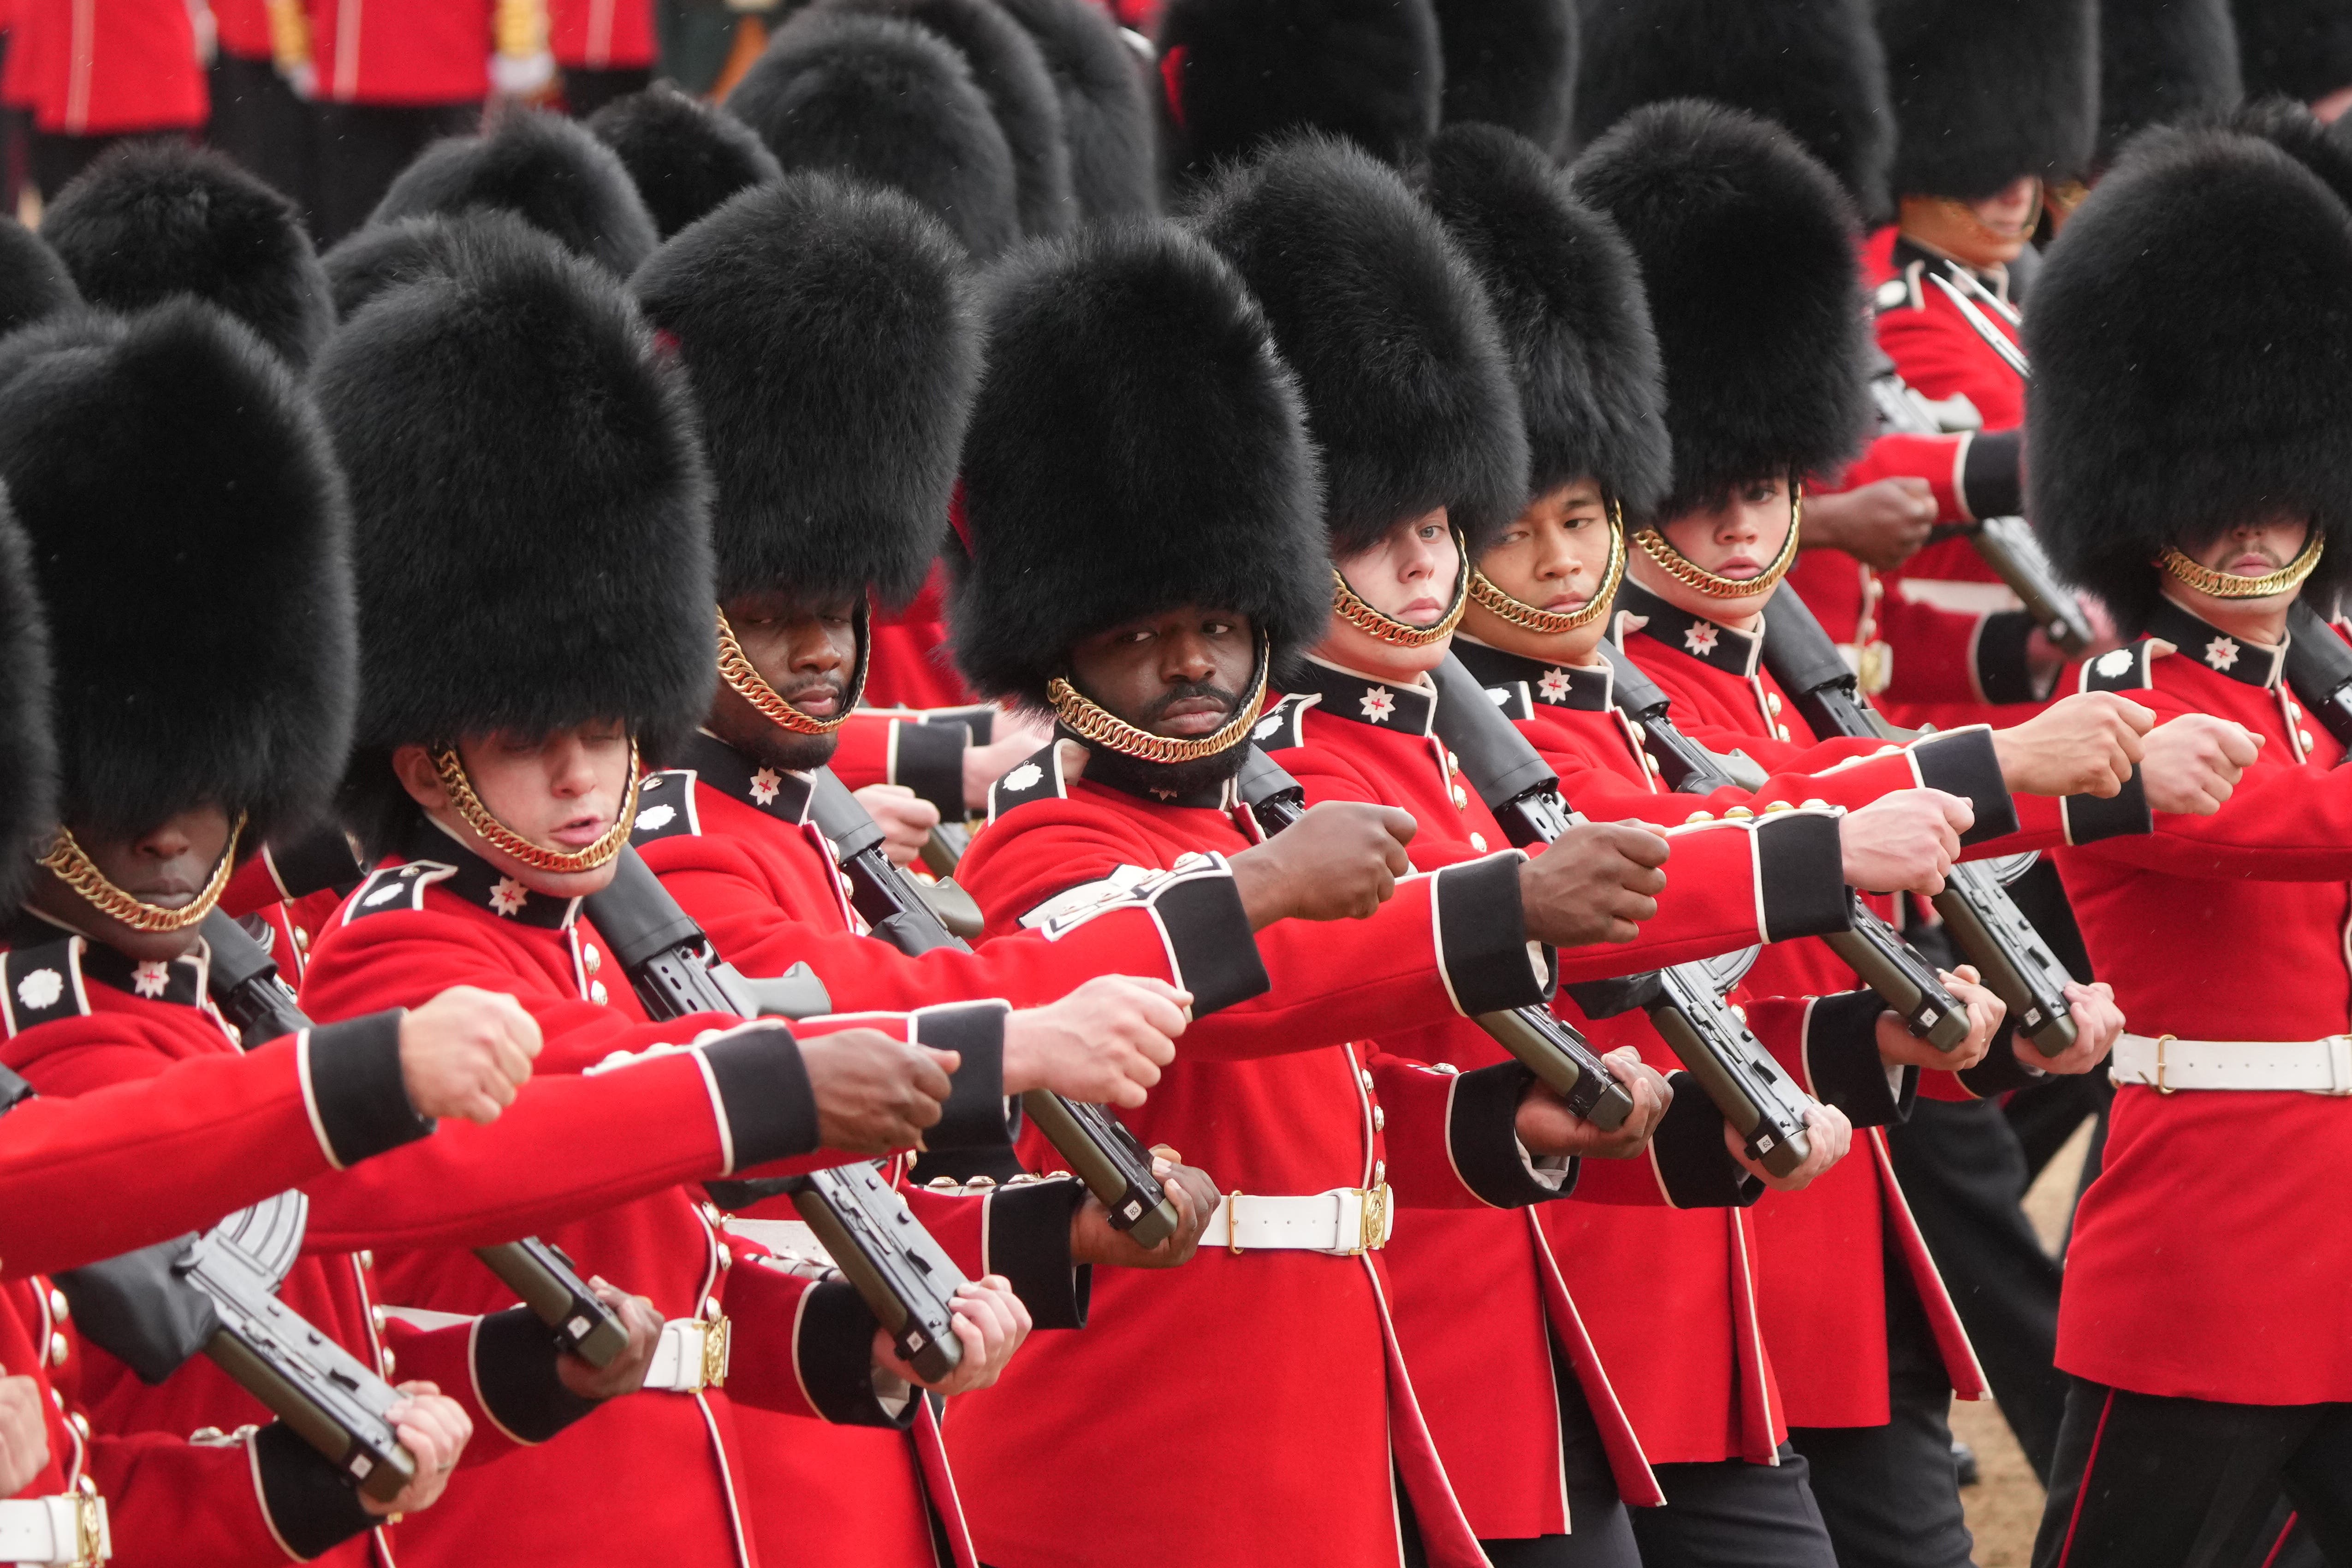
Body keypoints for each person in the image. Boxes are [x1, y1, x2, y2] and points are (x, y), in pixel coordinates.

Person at [293, 208, 1046, 1568]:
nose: (587, 782)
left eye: (607, 735)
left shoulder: (586, 935)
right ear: (424, 758)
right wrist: (777, 1074)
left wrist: (856, 1340)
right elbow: (545, 1121)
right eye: (533, 743)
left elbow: (683, 1276)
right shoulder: (394, 952)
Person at [941, 211, 1682, 1568]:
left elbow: (1312, 1108)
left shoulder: (1241, 815)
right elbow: (1213, 1002)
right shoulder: (1039, 835)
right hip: (1146, 1437)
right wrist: (1493, 908)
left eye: (1219, 626)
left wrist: (1493, 1123)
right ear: (1059, 656)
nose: (1191, 665)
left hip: (1324, 1407)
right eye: (1138, 637)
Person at [1569, 100, 2196, 1568]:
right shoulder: (1597, 697)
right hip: (1672, 1241)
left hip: (1829, 1233)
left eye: (1769, 497)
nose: (1742, 534)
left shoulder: (1772, 670)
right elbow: (1720, 847)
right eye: (1706, 502)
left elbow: (1880, 839)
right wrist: (2014, 770)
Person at [2024, 125, 2352, 1568]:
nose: (2255, 524)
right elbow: (2270, 835)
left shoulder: (2319, 692)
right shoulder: (2116, 715)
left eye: (2281, 487)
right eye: (2219, 499)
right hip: (2205, 1253)